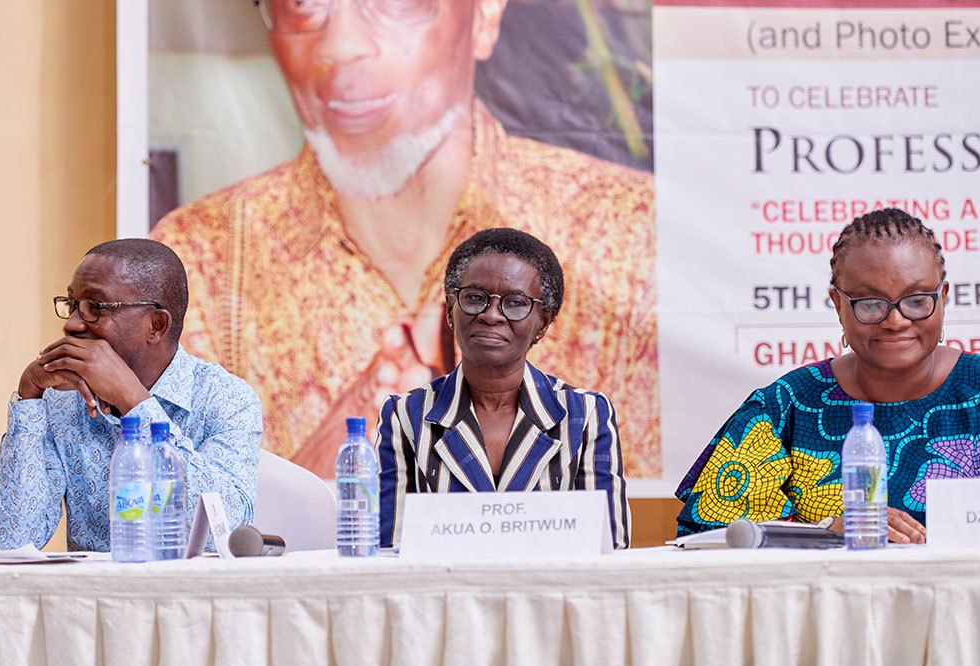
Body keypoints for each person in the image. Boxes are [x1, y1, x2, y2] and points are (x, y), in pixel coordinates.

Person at [150, 0, 657, 480]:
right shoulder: (198, 256)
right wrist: (319, 479)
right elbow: (187, 516)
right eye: (304, 1)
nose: (340, 45)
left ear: (484, 14)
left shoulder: (630, 233)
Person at [675, 208, 980, 543]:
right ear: (838, 305)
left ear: (943, 298)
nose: (895, 321)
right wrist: (824, 532)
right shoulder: (786, 406)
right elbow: (709, 535)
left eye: (916, 300)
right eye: (870, 304)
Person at [0, 239, 263, 551]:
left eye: (94, 307)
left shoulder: (226, 399)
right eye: (72, 304)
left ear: (156, 325)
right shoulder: (62, 400)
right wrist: (29, 397)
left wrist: (133, 401)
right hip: (94, 585)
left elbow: (221, 532)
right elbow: (11, 542)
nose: (71, 324)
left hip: (184, 583)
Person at [377, 228, 630, 549]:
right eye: (475, 297)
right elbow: (390, 550)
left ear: (543, 323)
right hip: (445, 584)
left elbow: (607, 549)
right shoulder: (406, 415)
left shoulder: (584, 415)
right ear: (451, 309)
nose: (491, 315)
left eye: (515, 303)